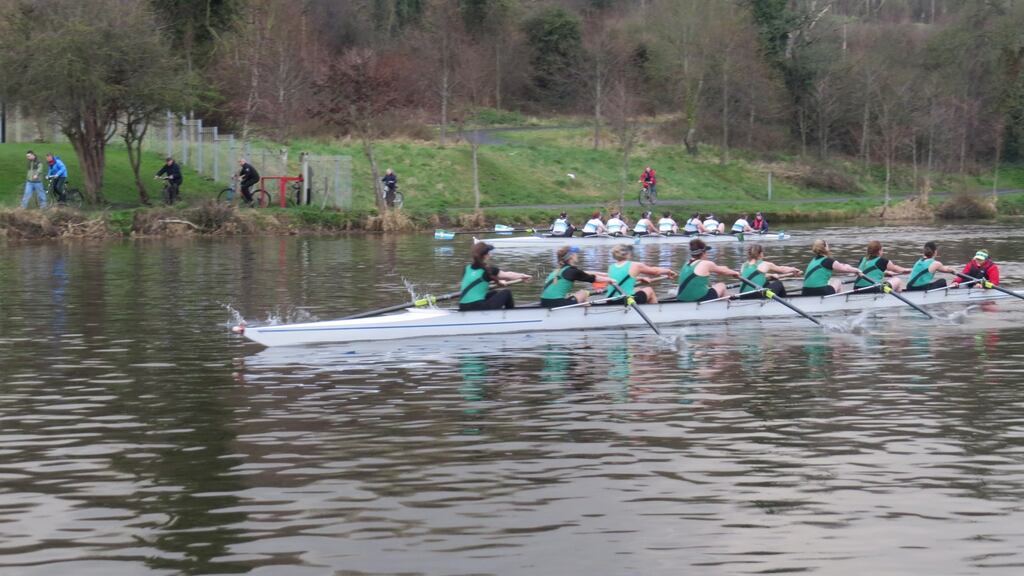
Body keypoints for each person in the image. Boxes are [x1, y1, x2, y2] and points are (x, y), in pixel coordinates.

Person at [458, 242, 532, 311]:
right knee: (507, 293)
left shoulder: (466, 268)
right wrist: (523, 276)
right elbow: (508, 275)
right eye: (489, 253)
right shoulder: (489, 270)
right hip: (477, 307)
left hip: (462, 306)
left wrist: (499, 282)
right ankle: (510, 316)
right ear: (485, 256)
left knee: (494, 293)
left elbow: (478, 282)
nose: (490, 255)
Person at [540, 246, 612, 308]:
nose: (577, 255)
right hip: (555, 303)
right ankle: (587, 316)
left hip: (544, 301)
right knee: (583, 293)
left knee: (573, 295)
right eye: (576, 253)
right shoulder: (572, 271)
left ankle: (583, 313)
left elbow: (583, 273)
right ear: (571, 256)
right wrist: (611, 280)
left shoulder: (559, 270)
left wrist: (604, 274)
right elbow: (593, 278)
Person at [605, 244, 676, 304]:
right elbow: (655, 271)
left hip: (610, 300)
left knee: (638, 289)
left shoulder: (611, 267)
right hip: (626, 301)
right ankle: (655, 314)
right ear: (628, 254)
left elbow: (619, 279)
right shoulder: (635, 265)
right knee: (649, 290)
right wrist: (669, 271)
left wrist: (640, 278)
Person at [676, 238, 740, 302]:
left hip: (681, 298)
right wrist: (736, 273)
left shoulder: (686, 264)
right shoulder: (706, 263)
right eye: (707, 252)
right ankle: (726, 308)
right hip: (698, 299)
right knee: (722, 286)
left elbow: (721, 269)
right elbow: (724, 271)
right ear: (703, 253)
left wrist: (725, 268)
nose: (707, 255)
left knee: (709, 287)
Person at [800, 239, 864, 296]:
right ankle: (839, 301)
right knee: (837, 281)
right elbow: (844, 269)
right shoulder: (828, 261)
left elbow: (842, 266)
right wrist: (858, 270)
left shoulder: (813, 260)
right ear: (825, 248)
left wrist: (851, 268)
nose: (829, 247)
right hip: (820, 291)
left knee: (830, 280)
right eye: (827, 246)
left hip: (805, 291)